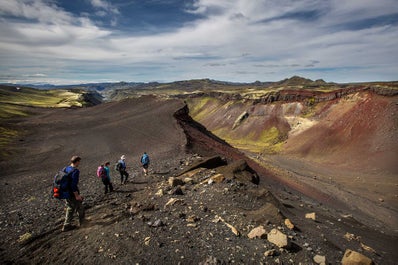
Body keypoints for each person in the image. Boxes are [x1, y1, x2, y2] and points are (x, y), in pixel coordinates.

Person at [62, 156, 85, 232]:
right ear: (77, 161)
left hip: (65, 192)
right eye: (79, 161)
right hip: (72, 193)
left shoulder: (65, 168)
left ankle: (67, 225)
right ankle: (83, 223)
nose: (79, 163)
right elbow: (73, 185)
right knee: (80, 207)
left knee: (70, 207)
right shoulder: (75, 171)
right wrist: (77, 195)